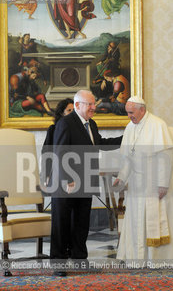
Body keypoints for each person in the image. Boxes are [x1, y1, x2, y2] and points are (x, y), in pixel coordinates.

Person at [49, 89, 122, 276]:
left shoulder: (92, 124)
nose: (93, 107)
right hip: (66, 183)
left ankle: (80, 259)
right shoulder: (66, 123)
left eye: (93, 103)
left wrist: (126, 138)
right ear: (77, 105)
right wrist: (69, 178)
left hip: (86, 181)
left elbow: (100, 144)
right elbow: (60, 153)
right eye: (89, 104)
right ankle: (59, 264)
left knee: (81, 224)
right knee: (62, 223)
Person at [113, 96, 173, 267]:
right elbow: (128, 159)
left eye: (131, 112)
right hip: (137, 184)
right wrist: (121, 177)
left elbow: (165, 158)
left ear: (142, 110)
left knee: (155, 220)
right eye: (127, 113)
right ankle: (137, 258)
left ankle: (158, 260)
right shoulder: (130, 127)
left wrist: (163, 184)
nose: (129, 116)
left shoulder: (157, 125)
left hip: (156, 183)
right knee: (136, 220)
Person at [42, 98, 74, 184]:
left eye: (74, 110)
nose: (73, 113)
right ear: (62, 113)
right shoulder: (53, 129)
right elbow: (47, 153)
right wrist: (47, 175)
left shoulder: (79, 130)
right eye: (69, 110)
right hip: (58, 173)